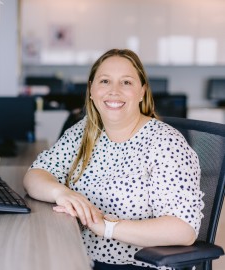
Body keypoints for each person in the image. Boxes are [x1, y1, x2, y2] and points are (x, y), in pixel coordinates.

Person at [23, 49, 204, 270]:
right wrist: (62, 193)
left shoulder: (165, 143)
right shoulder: (84, 131)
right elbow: (36, 175)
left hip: (140, 265)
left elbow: (184, 230)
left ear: (142, 92)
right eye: (105, 81)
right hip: (82, 257)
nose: (114, 91)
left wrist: (108, 227)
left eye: (126, 82)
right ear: (91, 90)